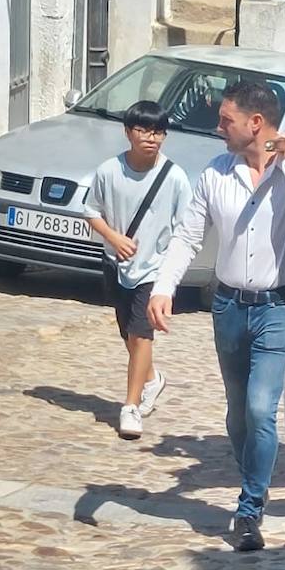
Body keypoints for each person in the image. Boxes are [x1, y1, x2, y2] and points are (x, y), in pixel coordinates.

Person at [148, 80, 285, 552]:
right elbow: (189, 236)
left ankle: (250, 510)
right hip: (229, 306)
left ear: (256, 123)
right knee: (237, 413)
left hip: (283, 306)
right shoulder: (216, 172)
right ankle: (253, 472)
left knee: (260, 407)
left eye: (226, 119)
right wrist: (164, 286)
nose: (219, 127)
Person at [84, 100, 192, 440]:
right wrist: (113, 238)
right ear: (128, 132)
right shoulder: (108, 171)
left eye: (159, 131)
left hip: (153, 270)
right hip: (116, 265)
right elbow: (90, 211)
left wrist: (171, 275)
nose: (152, 138)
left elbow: (186, 228)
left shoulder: (173, 177)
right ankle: (151, 379)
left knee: (141, 333)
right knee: (128, 334)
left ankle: (130, 407)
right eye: (144, 130)